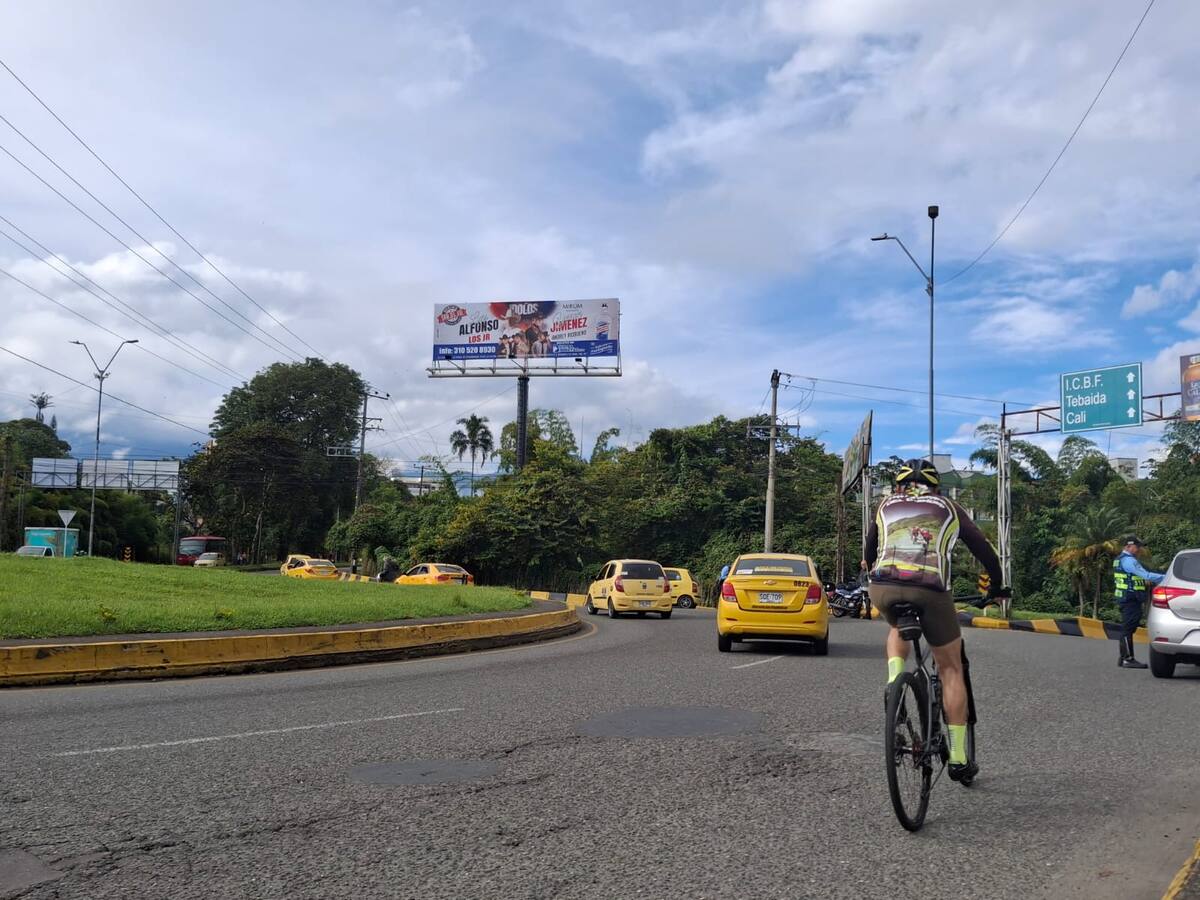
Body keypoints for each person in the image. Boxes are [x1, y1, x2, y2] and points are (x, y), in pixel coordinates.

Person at [864, 458, 1007, 784]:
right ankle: (958, 757)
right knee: (951, 668)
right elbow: (984, 550)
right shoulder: (949, 506)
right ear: (936, 486)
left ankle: (895, 680)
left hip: (882, 588)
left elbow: (869, 549)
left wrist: (871, 566)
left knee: (896, 626)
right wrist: (996, 585)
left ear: (898, 486)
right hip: (930, 591)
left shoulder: (884, 504)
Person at [1112, 536, 1163, 669]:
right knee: (1128, 628)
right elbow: (1146, 575)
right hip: (1130, 598)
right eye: (1137, 546)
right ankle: (1127, 659)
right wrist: (1167, 577)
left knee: (1128, 627)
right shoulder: (1129, 561)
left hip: (1125, 597)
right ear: (1129, 546)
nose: (1139, 549)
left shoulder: (1119, 560)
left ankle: (1123, 657)